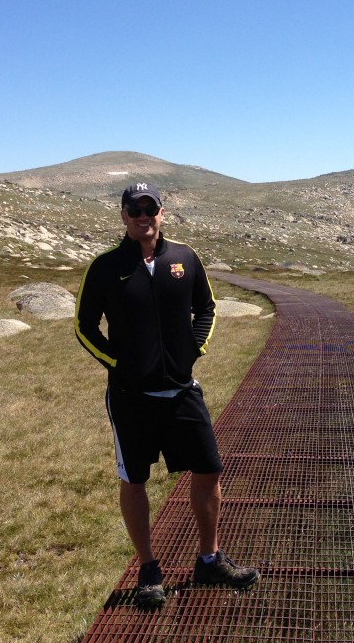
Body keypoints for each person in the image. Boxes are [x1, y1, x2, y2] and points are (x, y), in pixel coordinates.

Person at [74, 182, 260, 609]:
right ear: (123, 215)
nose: (143, 215)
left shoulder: (184, 258)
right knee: (134, 479)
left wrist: (193, 350)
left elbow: (207, 307)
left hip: (181, 391)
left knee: (209, 470)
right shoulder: (105, 267)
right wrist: (119, 365)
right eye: (134, 208)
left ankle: (209, 559)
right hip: (130, 396)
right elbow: (85, 326)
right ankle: (148, 568)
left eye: (150, 207)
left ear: (162, 212)